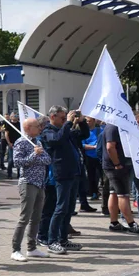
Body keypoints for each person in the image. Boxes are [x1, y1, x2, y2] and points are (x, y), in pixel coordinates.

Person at [40, 106, 89, 252]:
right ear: (53, 117)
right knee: (60, 208)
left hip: (74, 173)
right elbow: (57, 140)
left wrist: (81, 122)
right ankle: (52, 240)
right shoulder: (48, 132)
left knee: (69, 208)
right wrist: (68, 123)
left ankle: (63, 239)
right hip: (61, 174)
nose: (65, 120)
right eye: (62, 118)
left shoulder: (66, 130)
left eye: (65, 117)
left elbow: (84, 134)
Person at [10, 117, 51, 261]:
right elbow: (18, 162)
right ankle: (15, 249)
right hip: (28, 183)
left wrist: (37, 155)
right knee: (24, 217)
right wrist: (35, 154)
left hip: (40, 183)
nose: (39, 128)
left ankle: (32, 247)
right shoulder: (21, 142)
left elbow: (48, 160)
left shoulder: (37, 142)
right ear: (27, 128)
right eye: (36, 126)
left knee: (36, 217)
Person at [101, 123, 139, 235]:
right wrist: (117, 164)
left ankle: (114, 223)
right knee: (123, 195)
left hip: (116, 165)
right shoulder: (113, 126)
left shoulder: (117, 126)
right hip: (116, 166)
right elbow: (110, 147)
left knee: (114, 193)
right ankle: (131, 224)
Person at [3, 113, 21, 178]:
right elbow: (6, 134)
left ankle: (19, 174)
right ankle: (9, 174)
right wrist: (9, 143)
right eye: (13, 116)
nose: (15, 117)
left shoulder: (20, 124)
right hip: (12, 144)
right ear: (11, 117)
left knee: (19, 159)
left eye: (16, 115)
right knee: (11, 160)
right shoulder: (8, 124)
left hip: (19, 144)